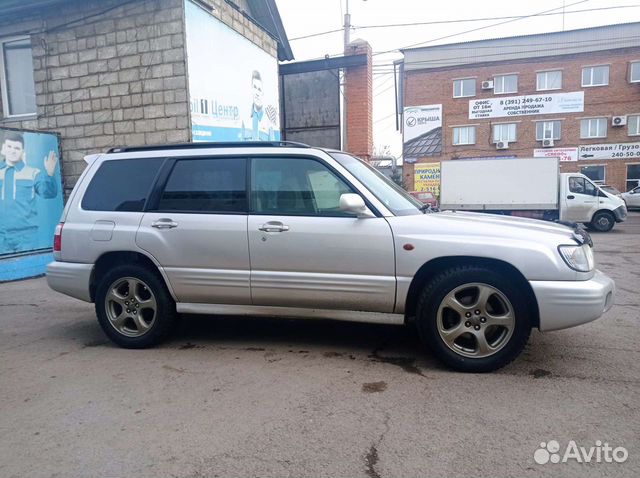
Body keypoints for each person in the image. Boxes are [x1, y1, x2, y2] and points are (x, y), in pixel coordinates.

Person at [0, 131, 58, 254]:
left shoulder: (33, 173)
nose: (12, 151)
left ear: (22, 152)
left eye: (17, 148)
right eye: (9, 147)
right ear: (3, 149)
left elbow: (48, 193)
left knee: (27, 269)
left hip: (26, 235)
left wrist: (49, 174)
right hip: (2, 235)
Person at [242, 70, 276, 141]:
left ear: (263, 93)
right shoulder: (245, 119)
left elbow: (273, 148)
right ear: (251, 89)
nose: (257, 93)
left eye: (259, 89)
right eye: (254, 87)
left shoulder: (268, 121)